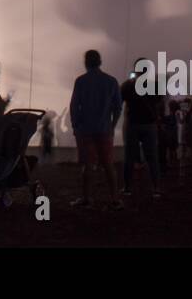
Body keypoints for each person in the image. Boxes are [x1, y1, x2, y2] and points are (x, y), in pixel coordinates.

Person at [69, 49, 123, 209]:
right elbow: (118, 108)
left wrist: (75, 125)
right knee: (108, 165)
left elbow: (74, 106)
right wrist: (112, 126)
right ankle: (114, 199)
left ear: (86, 62)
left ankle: (86, 198)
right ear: (100, 61)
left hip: (85, 130)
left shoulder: (81, 81)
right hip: (104, 130)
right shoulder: (111, 81)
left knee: (87, 165)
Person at [122, 58, 163, 197]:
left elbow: (120, 101)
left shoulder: (127, 85)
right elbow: (159, 101)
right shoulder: (156, 85)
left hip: (133, 123)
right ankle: (156, 188)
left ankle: (127, 187)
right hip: (149, 124)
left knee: (129, 157)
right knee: (152, 158)